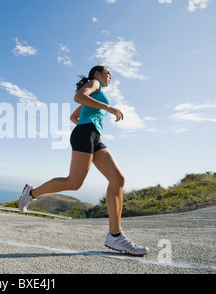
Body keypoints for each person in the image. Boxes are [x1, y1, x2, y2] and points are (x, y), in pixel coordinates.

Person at [18, 66, 149, 256]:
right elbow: (78, 97)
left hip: (94, 136)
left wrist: (92, 128)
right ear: (96, 73)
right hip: (85, 134)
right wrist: (106, 109)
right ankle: (31, 193)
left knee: (117, 179)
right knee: (74, 183)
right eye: (107, 72)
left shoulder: (97, 95)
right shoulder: (94, 84)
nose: (110, 75)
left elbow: (74, 116)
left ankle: (115, 235)